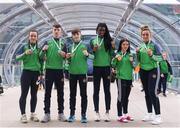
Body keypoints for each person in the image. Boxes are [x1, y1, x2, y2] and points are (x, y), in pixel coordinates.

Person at [136, 25, 163, 125]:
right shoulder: (141, 46)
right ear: (141, 36)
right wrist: (137, 53)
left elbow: (161, 58)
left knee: (153, 92)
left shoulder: (155, 45)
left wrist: (152, 55)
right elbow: (138, 60)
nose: (145, 36)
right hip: (143, 71)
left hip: (153, 70)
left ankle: (158, 116)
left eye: (147, 34)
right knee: (147, 92)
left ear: (150, 35)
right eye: (143, 34)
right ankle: (149, 113)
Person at [40, 24, 67, 123]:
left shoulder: (63, 44)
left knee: (61, 93)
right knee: (47, 93)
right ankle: (47, 114)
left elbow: (66, 57)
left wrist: (64, 55)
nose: (56, 31)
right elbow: (41, 56)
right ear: (52, 31)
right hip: (49, 70)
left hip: (59, 70)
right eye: (55, 30)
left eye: (58, 30)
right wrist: (43, 50)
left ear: (60, 32)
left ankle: (61, 113)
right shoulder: (47, 42)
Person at [90, 23, 115, 122]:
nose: (101, 32)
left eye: (103, 30)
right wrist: (93, 50)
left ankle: (107, 112)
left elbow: (112, 55)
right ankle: (96, 112)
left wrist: (113, 47)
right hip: (96, 68)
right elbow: (89, 54)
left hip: (106, 68)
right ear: (96, 30)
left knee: (107, 91)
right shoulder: (93, 40)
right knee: (96, 91)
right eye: (100, 30)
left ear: (106, 31)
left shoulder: (109, 40)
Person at [16, 30, 41, 123]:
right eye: (31, 36)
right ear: (29, 37)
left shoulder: (39, 49)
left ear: (37, 38)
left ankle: (32, 114)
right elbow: (17, 57)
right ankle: (23, 115)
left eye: (35, 36)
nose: (33, 37)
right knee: (24, 94)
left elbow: (42, 62)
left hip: (36, 74)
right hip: (26, 73)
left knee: (34, 95)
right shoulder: (24, 47)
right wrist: (25, 53)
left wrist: (41, 73)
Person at [66, 28, 89, 123]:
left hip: (82, 74)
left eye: (77, 34)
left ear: (80, 35)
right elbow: (68, 61)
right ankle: (72, 114)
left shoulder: (85, 46)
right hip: (72, 73)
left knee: (83, 95)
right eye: (74, 34)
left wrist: (88, 54)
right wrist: (68, 59)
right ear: (72, 36)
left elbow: (93, 57)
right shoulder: (70, 47)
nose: (76, 36)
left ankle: (83, 115)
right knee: (72, 95)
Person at [112, 38, 135, 123]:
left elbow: (135, 67)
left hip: (129, 78)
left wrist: (132, 62)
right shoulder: (117, 54)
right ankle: (119, 115)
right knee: (121, 97)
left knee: (126, 97)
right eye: (123, 44)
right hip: (121, 78)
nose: (125, 46)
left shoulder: (130, 55)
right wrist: (115, 59)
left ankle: (125, 114)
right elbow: (113, 65)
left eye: (127, 44)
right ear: (121, 45)